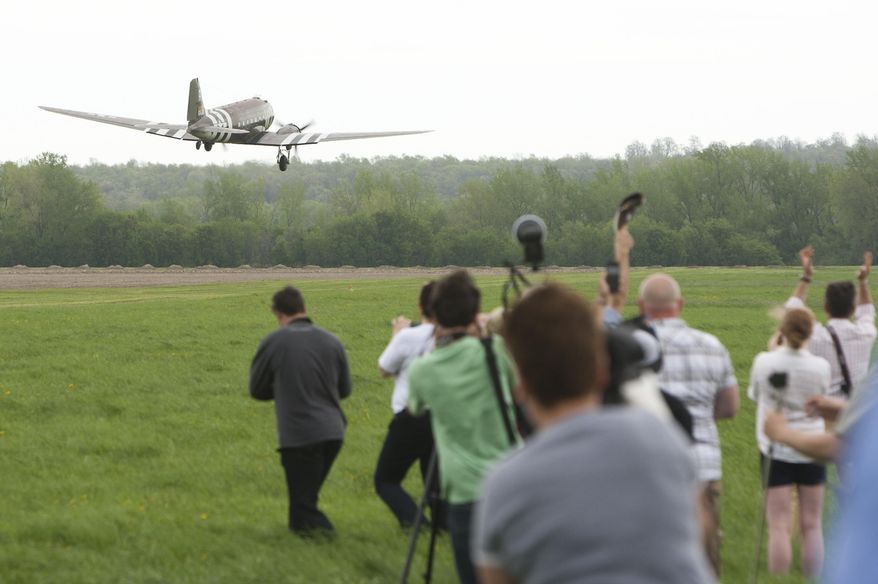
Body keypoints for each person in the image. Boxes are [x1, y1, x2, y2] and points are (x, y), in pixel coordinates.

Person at [473, 283, 713, 584]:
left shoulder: (505, 484)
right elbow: (699, 527)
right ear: (601, 370)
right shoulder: (657, 434)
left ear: (521, 387)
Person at [407, 270, 520, 584]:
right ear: (475, 313)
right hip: (511, 480)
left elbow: (415, 408)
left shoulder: (422, 370)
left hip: (465, 492)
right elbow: (518, 391)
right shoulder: (494, 350)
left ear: (433, 314)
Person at [637, 273, 739, 576]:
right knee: (704, 558)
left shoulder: (632, 350)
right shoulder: (711, 345)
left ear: (641, 306)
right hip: (702, 465)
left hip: (647, 468)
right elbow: (730, 407)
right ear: (679, 304)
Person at [249, 286, 352, 535]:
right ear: (303, 308)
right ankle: (304, 539)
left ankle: (329, 539)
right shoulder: (332, 341)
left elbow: (257, 389)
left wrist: (284, 388)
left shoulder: (274, 341)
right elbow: (345, 389)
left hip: (299, 434)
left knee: (303, 504)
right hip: (334, 431)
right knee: (302, 503)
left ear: (278, 313)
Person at [749, 308, 829, 577]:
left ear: (782, 331)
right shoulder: (821, 366)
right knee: (812, 524)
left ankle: (779, 579)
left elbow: (754, 395)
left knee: (779, 526)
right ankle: (812, 577)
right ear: (810, 332)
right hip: (811, 446)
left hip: (776, 449)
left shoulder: (764, 361)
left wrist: (774, 350)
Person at [374, 281, 439, 528]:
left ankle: (417, 524)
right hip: (442, 415)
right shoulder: (453, 336)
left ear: (420, 306)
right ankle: (444, 525)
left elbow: (384, 369)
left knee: (385, 480)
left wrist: (397, 333)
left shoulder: (409, 336)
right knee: (435, 481)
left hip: (410, 415)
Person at [785, 246, 875, 398]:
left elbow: (792, 312)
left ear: (825, 307)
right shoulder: (866, 335)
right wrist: (862, 281)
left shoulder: (815, 336)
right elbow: (866, 312)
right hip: (854, 411)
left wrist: (806, 276)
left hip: (823, 409)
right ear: (853, 309)